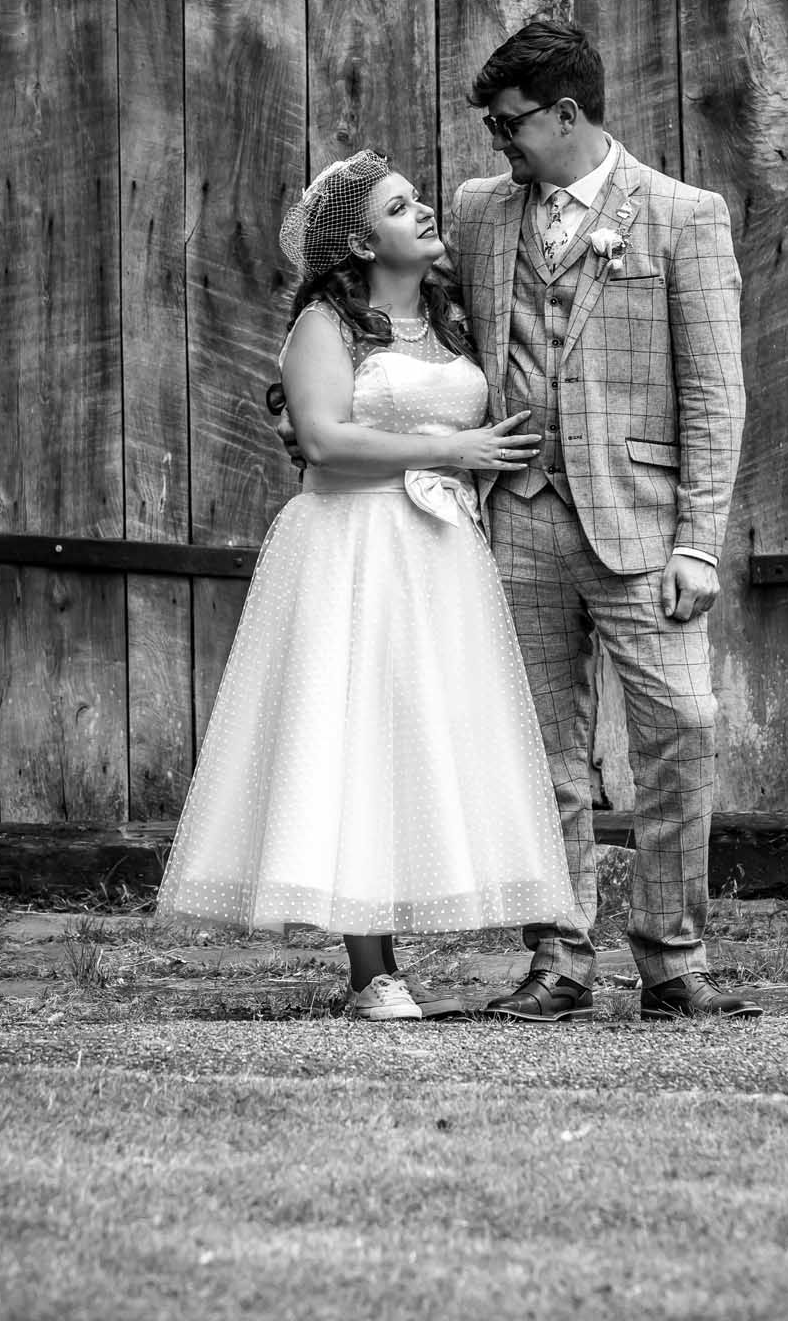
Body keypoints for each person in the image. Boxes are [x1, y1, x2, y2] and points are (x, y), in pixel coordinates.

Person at [157, 149, 576, 1021]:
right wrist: (449, 450)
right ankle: (370, 971)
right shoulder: (325, 324)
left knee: (418, 740)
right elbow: (323, 439)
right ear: (359, 239)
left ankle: (416, 936)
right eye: (399, 206)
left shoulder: (457, 321)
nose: (425, 211)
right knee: (351, 736)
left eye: (419, 199)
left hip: (442, 558)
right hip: (351, 546)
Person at [442, 20, 762, 1022]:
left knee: (682, 729)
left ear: (567, 114)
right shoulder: (477, 214)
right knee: (542, 752)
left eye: (509, 123)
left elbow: (715, 392)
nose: (497, 141)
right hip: (519, 521)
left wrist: (699, 541)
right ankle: (558, 959)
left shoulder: (680, 215)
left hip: (641, 525)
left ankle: (670, 960)